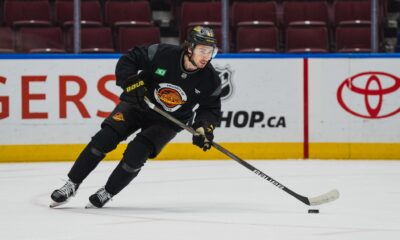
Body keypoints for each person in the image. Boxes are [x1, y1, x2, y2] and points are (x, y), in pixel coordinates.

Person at [50, 26, 222, 208]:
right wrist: (132, 83)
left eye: (210, 52)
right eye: (202, 50)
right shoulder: (162, 53)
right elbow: (130, 59)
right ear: (189, 48)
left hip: (167, 121)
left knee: (135, 155)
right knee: (103, 140)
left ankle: (108, 191)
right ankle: (71, 184)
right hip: (138, 104)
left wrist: (204, 126)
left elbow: (210, 109)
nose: (206, 57)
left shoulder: (211, 80)